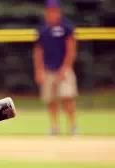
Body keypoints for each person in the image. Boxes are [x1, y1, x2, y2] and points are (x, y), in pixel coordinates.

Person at [34, 0, 78, 135]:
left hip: (63, 70)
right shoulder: (42, 30)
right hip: (48, 70)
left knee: (67, 97)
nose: (52, 13)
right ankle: (54, 128)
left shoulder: (66, 27)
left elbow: (71, 49)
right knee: (51, 100)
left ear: (59, 11)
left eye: (54, 10)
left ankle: (72, 127)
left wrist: (65, 68)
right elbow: (38, 51)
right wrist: (39, 70)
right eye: (49, 11)